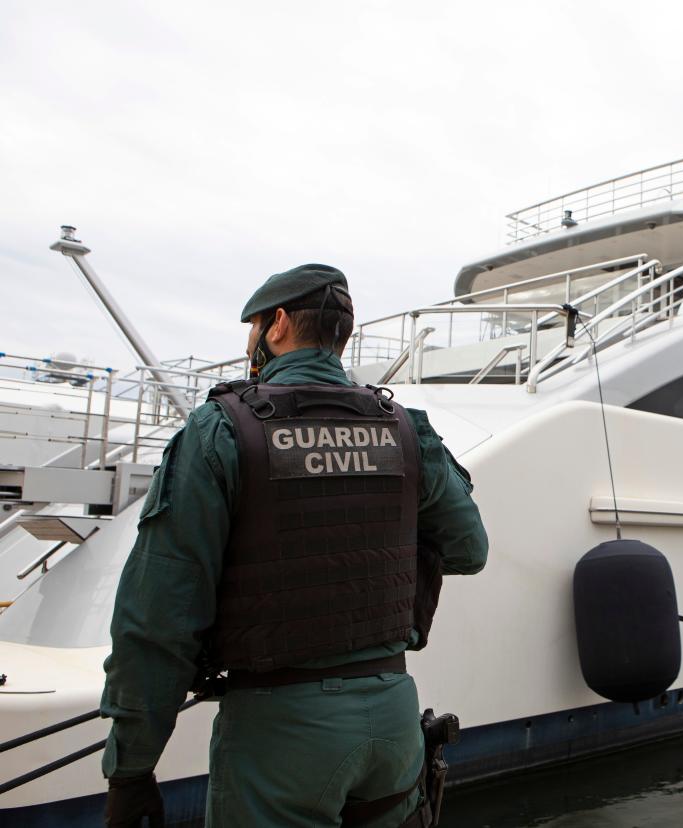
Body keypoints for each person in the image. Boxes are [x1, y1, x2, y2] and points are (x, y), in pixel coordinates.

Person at [100, 264, 488, 827]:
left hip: (279, 733)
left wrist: (130, 768)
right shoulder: (403, 428)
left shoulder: (222, 428)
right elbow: (468, 550)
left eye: (253, 326)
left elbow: (158, 615)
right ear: (342, 335)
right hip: (393, 722)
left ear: (276, 324)